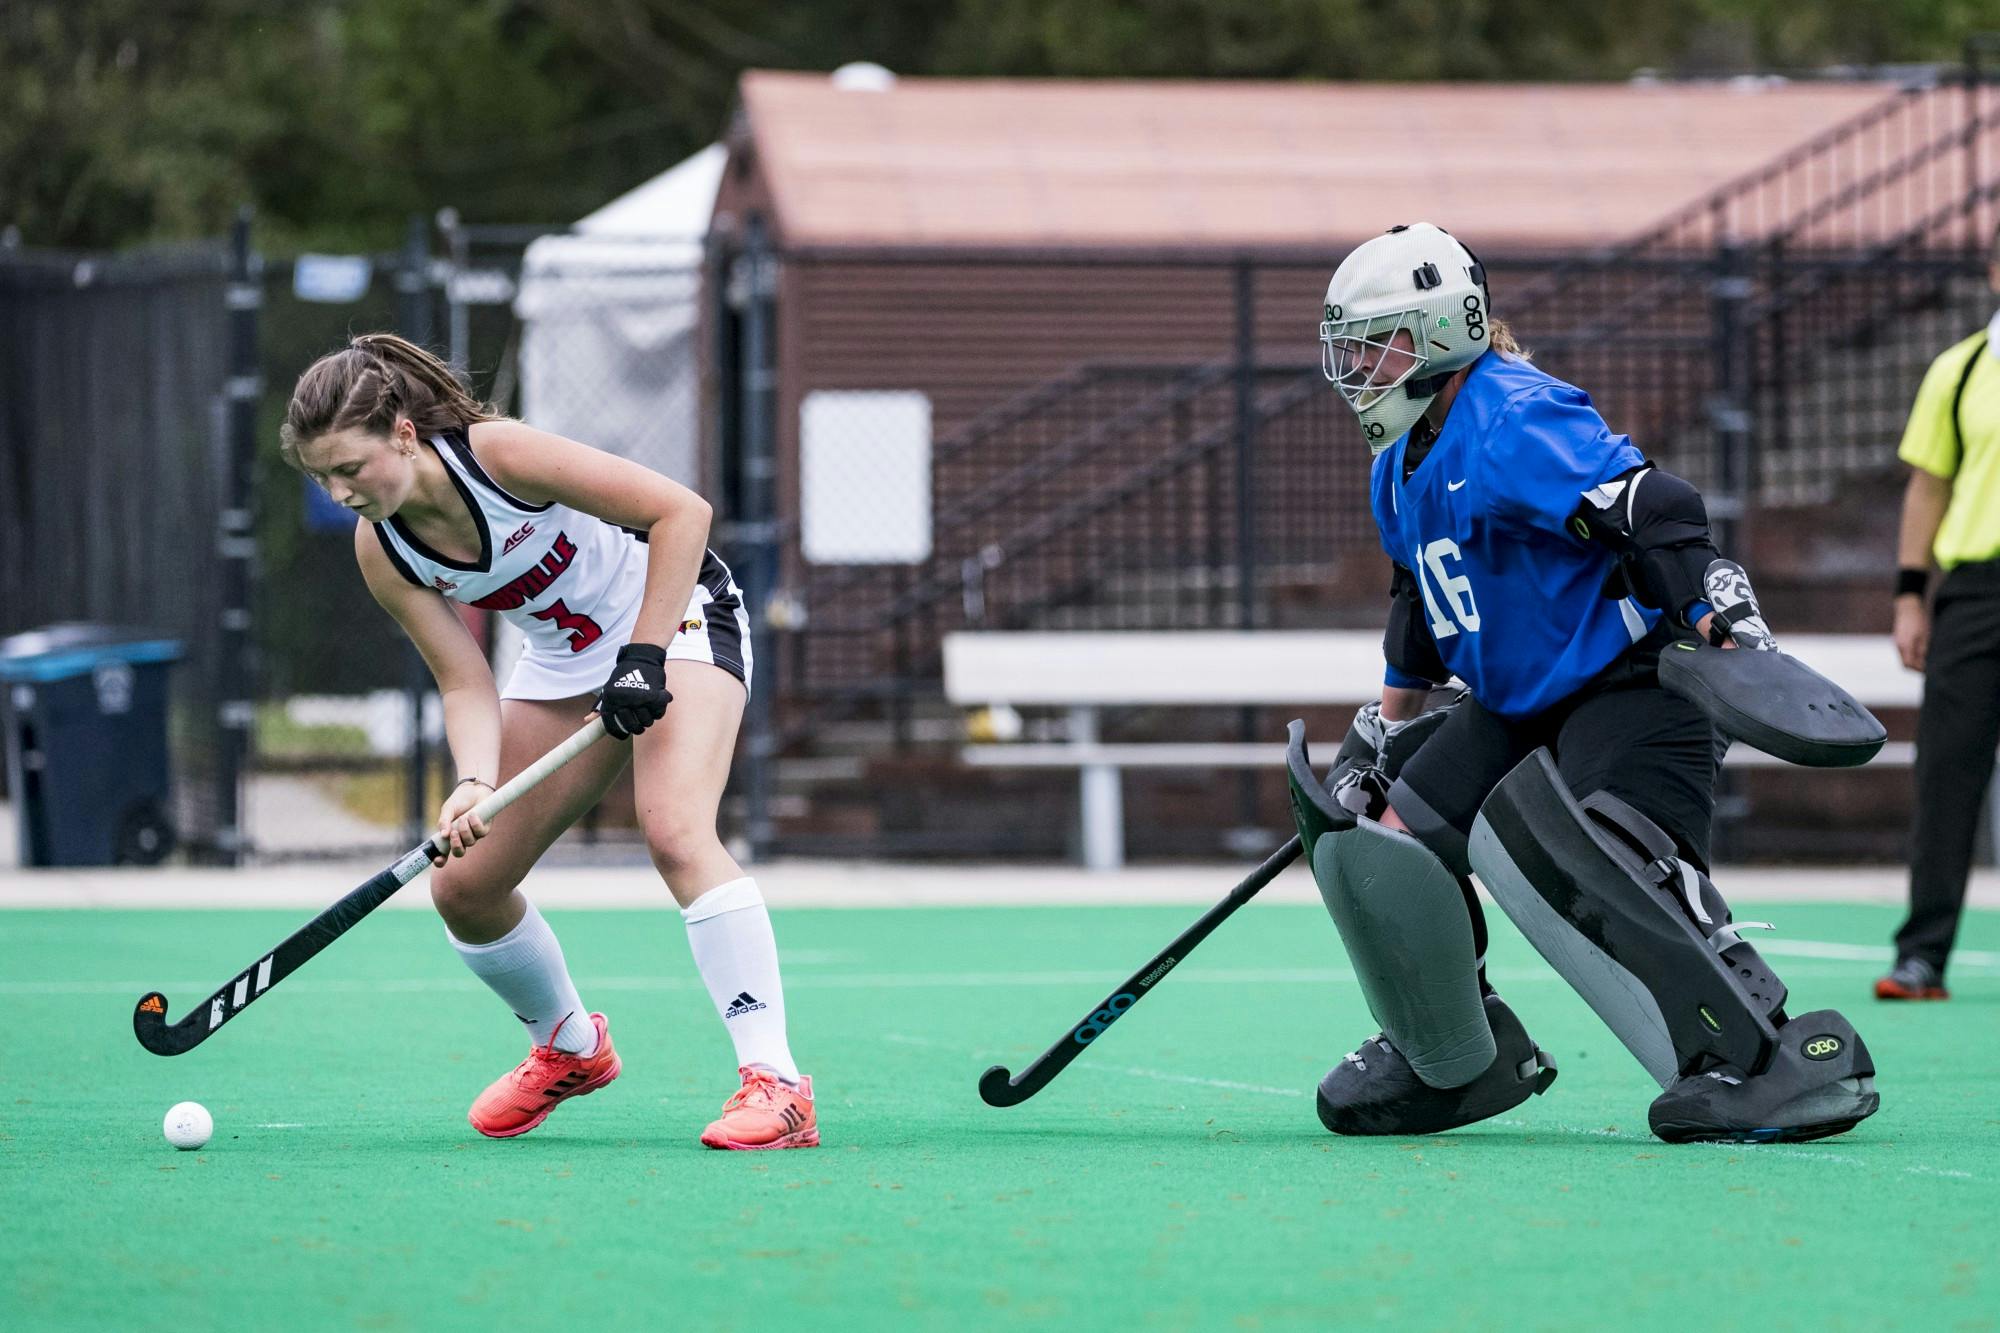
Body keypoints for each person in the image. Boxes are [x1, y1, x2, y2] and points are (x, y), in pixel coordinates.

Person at [1288, 223, 1878, 1144]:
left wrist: (1723, 622)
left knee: (1597, 851)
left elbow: (1657, 507)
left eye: (1382, 338)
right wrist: (1382, 730)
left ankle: (1766, 1058)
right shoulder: (1395, 469)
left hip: (1630, 681)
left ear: (1449, 329)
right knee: (1381, 845)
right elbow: (1422, 605)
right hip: (1517, 701)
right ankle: (1451, 1054)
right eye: (1354, 345)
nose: (1361, 364)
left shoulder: (1511, 416)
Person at [280, 333, 817, 1150]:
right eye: (323, 477)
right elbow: (465, 682)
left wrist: (642, 656)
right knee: (464, 884)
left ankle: (776, 1083)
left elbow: (682, 512)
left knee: (674, 828)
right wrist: (470, 782)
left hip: (674, 616)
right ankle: (570, 1045)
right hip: (565, 662)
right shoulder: (382, 547)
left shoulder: (499, 456)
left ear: (400, 431)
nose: (340, 490)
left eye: (350, 468)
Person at [1881, 227, 2000, 1002]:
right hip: (1976, 590)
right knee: (1948, 769)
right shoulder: (1959, 371)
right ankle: (1922, 954)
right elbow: (1928, 486)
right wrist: (1909, 593)